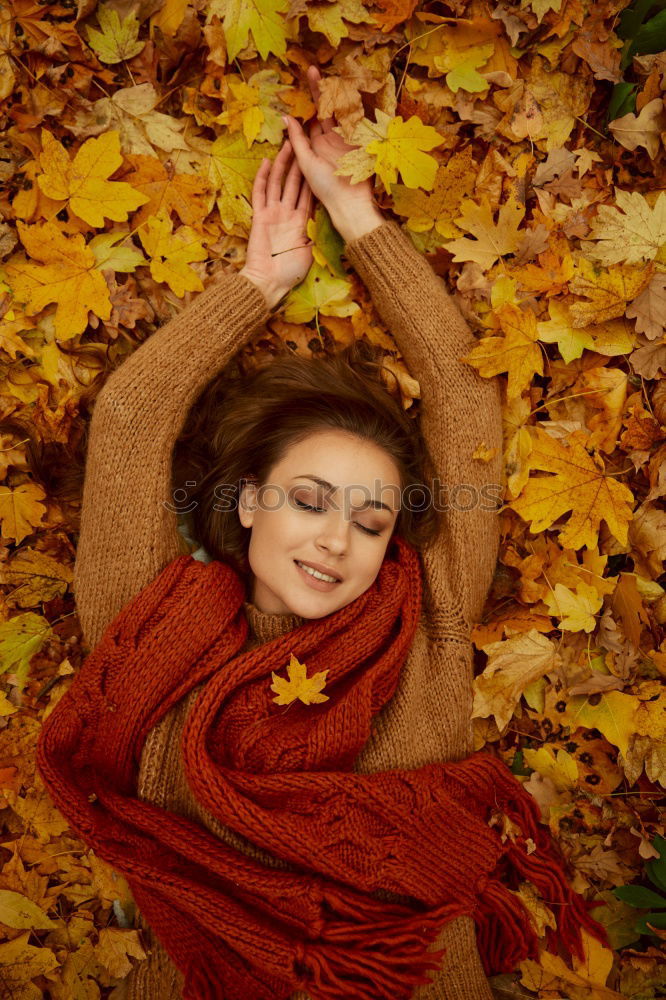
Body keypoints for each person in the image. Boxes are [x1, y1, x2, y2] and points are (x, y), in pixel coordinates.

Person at [36, 66, 606, 1000]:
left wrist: (363, 219)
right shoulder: (154, 633)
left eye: (372, 519)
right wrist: (260, 281)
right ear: (250, 502)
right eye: (308, 500)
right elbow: (135, 418)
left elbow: (465, 398)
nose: (339, 539)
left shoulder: (425, 623)